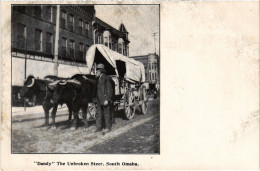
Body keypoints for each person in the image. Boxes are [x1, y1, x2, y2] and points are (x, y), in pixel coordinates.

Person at [93, 63, 114, 134]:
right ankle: (98, 128)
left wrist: (107, 99)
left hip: (104, 99)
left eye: (97, 70)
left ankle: (108, 127)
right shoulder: (98, 78)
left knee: (106, 113)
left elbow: (109, 90)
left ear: (101, 71)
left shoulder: (106, 78)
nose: (96, 72)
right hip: (99, 100)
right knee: (98, 113)